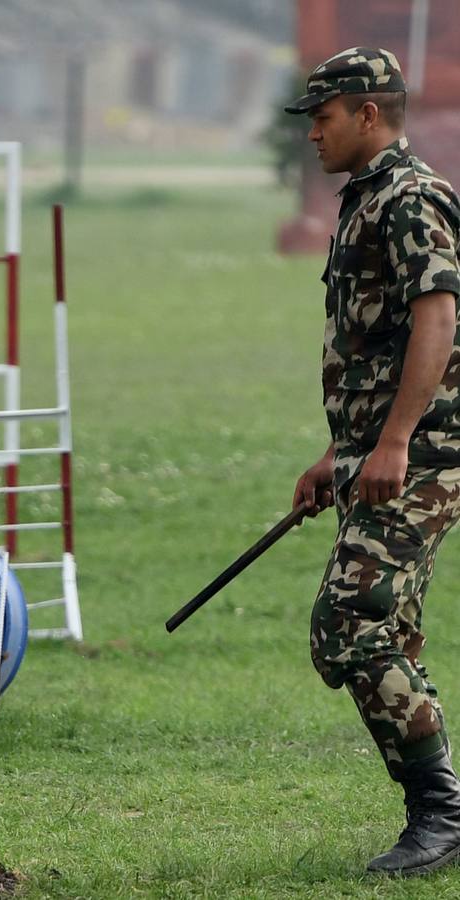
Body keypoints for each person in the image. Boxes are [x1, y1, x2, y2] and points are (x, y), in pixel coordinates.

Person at [288, 47, 460, 876]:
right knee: (380, 627)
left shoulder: (410, 197)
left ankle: (442, 814)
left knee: (349, 624)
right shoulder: (367, 201)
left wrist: (391, 443)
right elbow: (379, 348)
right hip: (379, 451)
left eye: (322, 118)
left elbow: (436, 323)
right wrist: (338, 450)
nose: (312, 134)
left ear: (366, 112)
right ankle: (441, 811)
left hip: (421, 453)